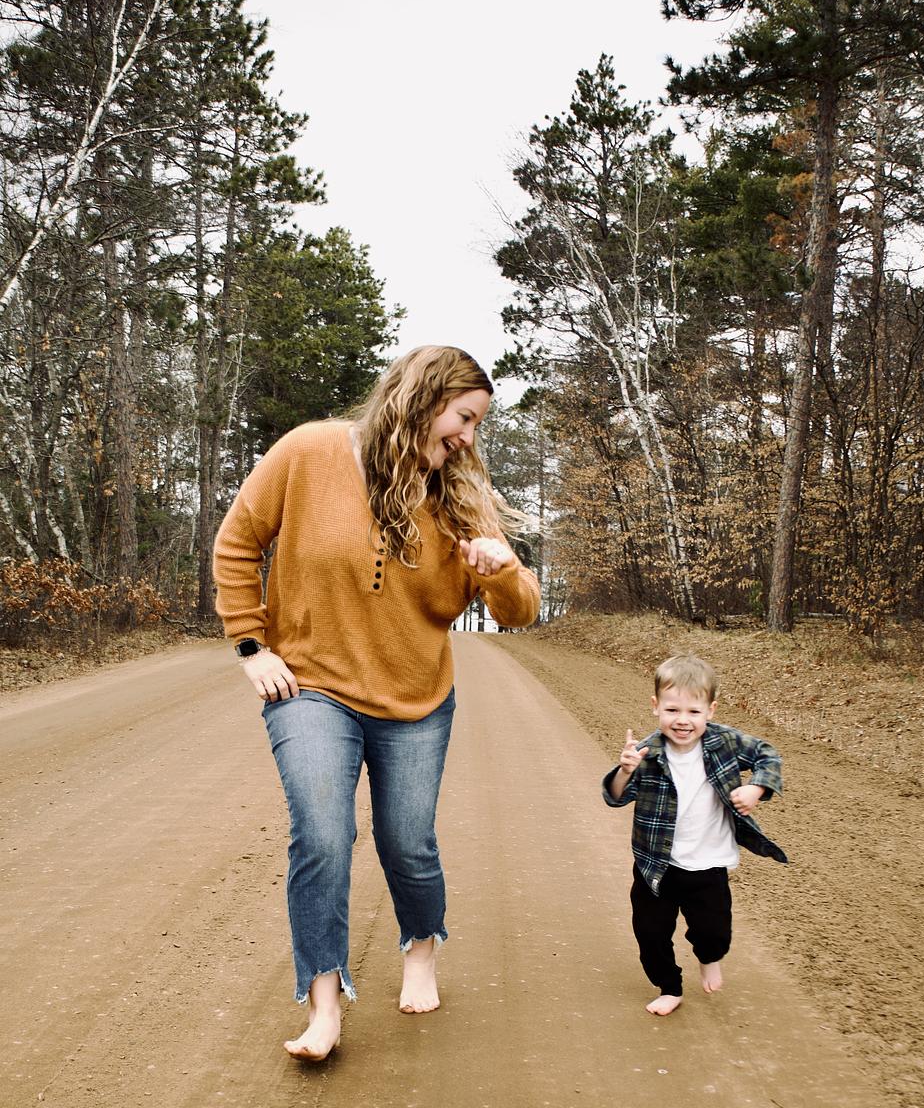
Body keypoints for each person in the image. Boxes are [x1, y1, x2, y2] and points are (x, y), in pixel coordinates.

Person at [213, 345, 540, 1061]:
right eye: (463, 418)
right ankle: (324, 1003)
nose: (468, 438)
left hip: (415, 699)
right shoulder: (309, 452)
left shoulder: (460, 499)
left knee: (408, 844)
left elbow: (519, 612)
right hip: (311, 687)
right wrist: (251, 645)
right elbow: (237, 542)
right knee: (322, 834)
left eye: (477, 425)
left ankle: (421, 946)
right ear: (422, 398)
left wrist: (504, 569)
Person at [602, 652, 786, 1015]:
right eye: (672, 710)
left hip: (708, 863)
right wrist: (625, 771)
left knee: (714, 932)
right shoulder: (646, 752)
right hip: (656, 866)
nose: (682, 720)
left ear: (710, 711)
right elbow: (616, 797)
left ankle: (708, 956)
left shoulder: (725, 742)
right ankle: (670, 987)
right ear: (656, 706)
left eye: (694, 711)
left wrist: (756, 788)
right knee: (650, 933)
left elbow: (768, 755)